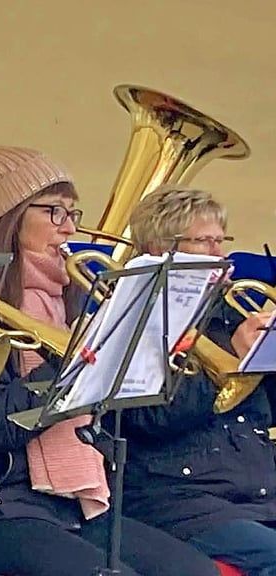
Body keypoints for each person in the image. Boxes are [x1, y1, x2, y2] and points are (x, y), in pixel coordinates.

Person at [0, 140, 220, 576]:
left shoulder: (64, 294)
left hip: (65, 501)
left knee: (194, 572)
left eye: (72, 213)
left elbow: (119, 418)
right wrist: (74, 360)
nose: (68, 229)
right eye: (54, 212)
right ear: (9, 218)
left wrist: (132, 352)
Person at [120, 185, 276, 575]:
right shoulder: (133, 321)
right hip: (177, 499)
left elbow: (262, 415)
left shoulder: (231, 318)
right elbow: (149, 420)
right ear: (159, 249)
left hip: (254, 493)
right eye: (205, 242)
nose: (221, 256)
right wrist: (234, 361)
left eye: (221, 242)